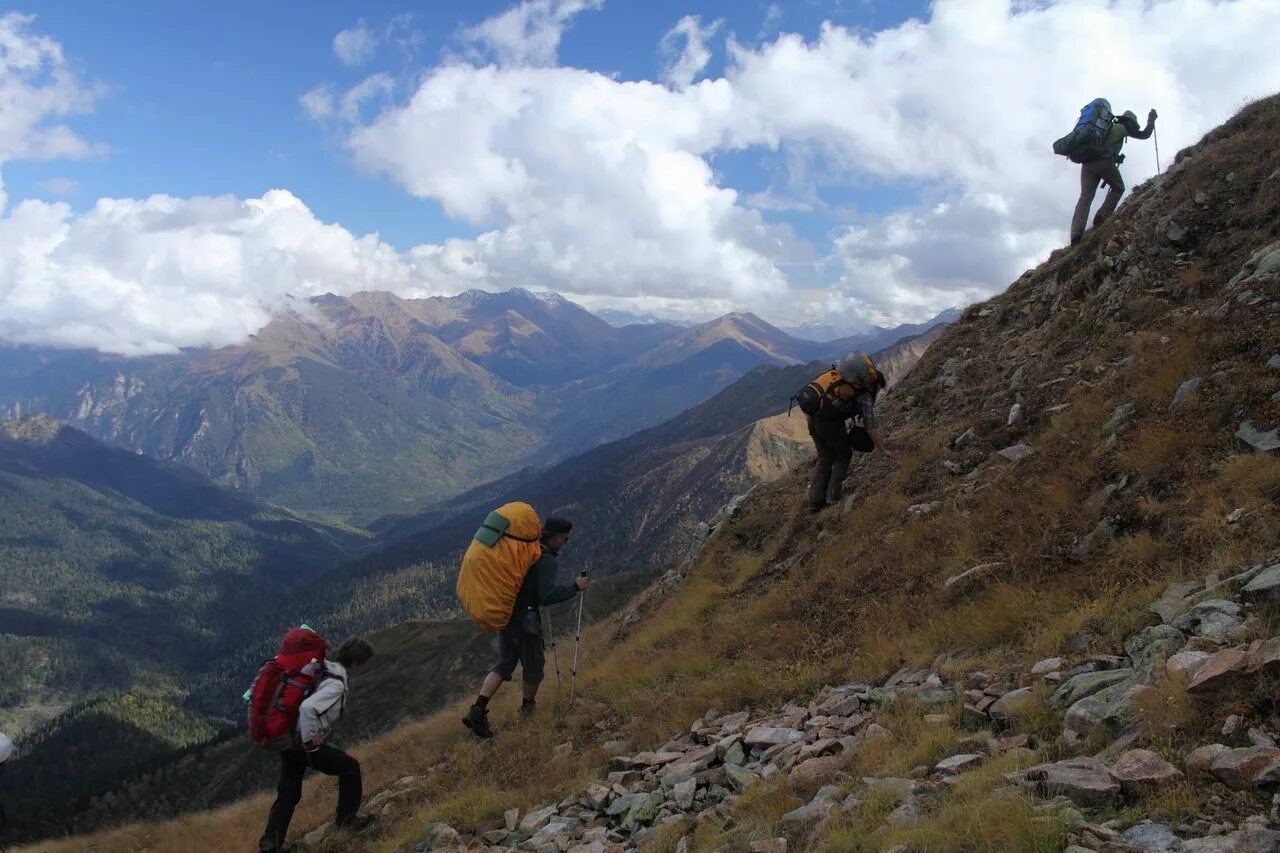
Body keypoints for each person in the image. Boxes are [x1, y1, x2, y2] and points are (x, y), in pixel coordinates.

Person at [463, 517, 589, 738]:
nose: (565, 543)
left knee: (504, 663)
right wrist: (574, 588)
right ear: (557, 537)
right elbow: (547, 595)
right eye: (565, 539)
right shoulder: (546, 559)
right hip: (526, 620)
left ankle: (478, 710)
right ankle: (527, 711)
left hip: (508, 614)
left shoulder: (527, 550)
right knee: (534, 667)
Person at [259, 638, 376, 853]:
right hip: (303, 743)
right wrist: (311, 742)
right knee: (350, 768)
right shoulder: (336, 684)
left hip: (288, 740)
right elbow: (307, 709)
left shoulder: (322, 667)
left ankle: (271, 846)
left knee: (288, 791)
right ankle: (347, 819)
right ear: (358, 663)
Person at [806, 353, 900, 513]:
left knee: (825, 457)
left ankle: (814, 503)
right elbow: (870, 426)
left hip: (812, 417)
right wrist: (884, 450)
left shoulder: (840, 375)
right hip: (828, 424)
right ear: (875, 384)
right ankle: (832, 498)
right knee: (843, 456)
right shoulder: (865, 394)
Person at [1070, 108, 1158, 244]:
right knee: (1118, 187)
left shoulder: (1107, 127)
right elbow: (1144, 134)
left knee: (1085, 197)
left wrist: (1116, 158)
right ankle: (1101, 216)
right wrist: (1151, 120)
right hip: (1103, 162)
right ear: (1130, 122)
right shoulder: (1123, 127)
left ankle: (1075, 235)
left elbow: (1106, 147)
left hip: (1087, 163)